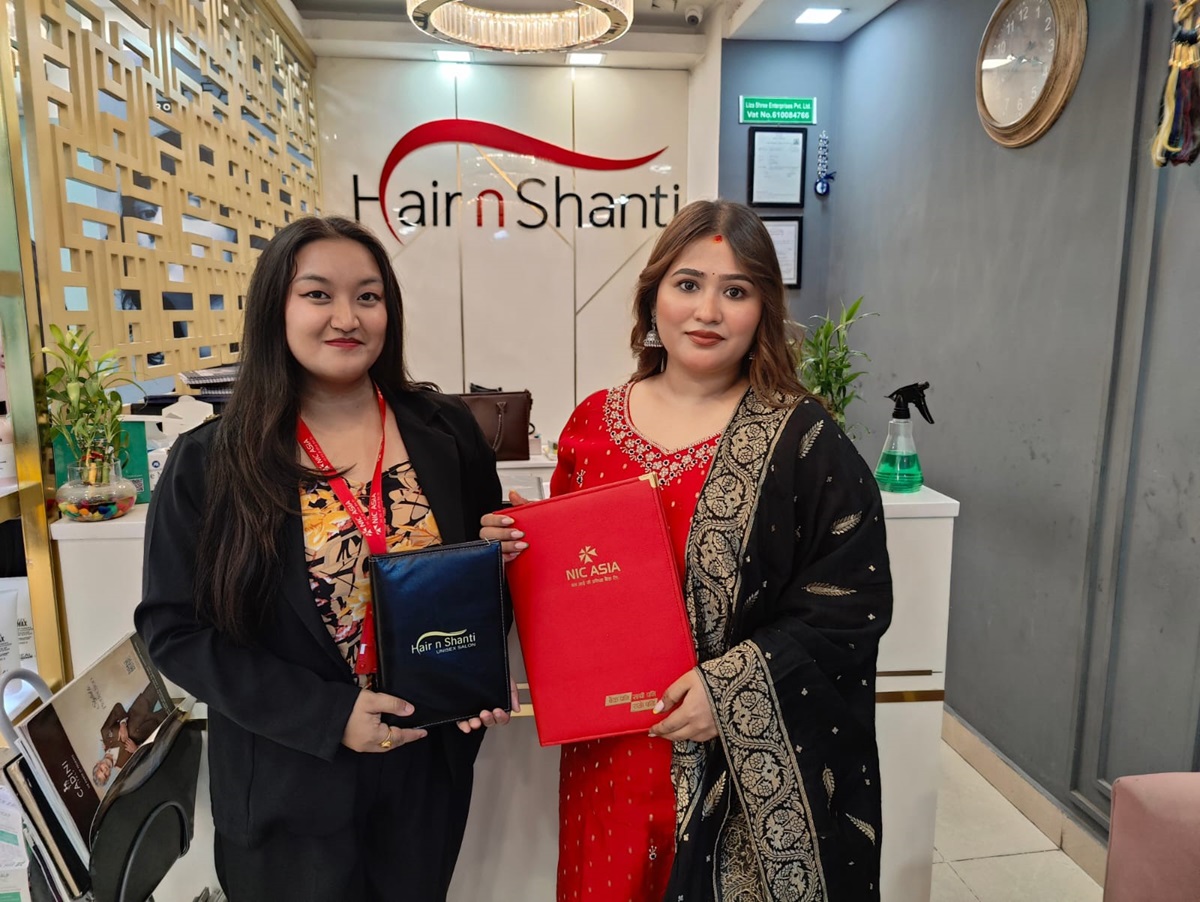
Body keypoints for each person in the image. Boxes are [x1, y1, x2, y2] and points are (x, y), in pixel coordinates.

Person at [483, 200, 893, 901]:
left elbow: (851, 600)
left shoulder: (804, 440)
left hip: (736, 766)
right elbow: (572, 587)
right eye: (688, 284)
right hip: (609, 752)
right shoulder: (593, 424)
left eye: (735, 291)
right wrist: (515, 552)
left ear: (763, 310)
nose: (708, 311)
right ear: (653, 298)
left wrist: (730, 690)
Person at [136, 215, 514, 901]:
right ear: (275, 308)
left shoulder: (446, 431)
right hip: (289, 782)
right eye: (318, 295)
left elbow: (483, 585)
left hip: (422, 775)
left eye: (368, 296)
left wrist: (471, 674)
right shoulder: (212, 460)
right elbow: (174, 630)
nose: (347, 317)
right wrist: (327, 715)